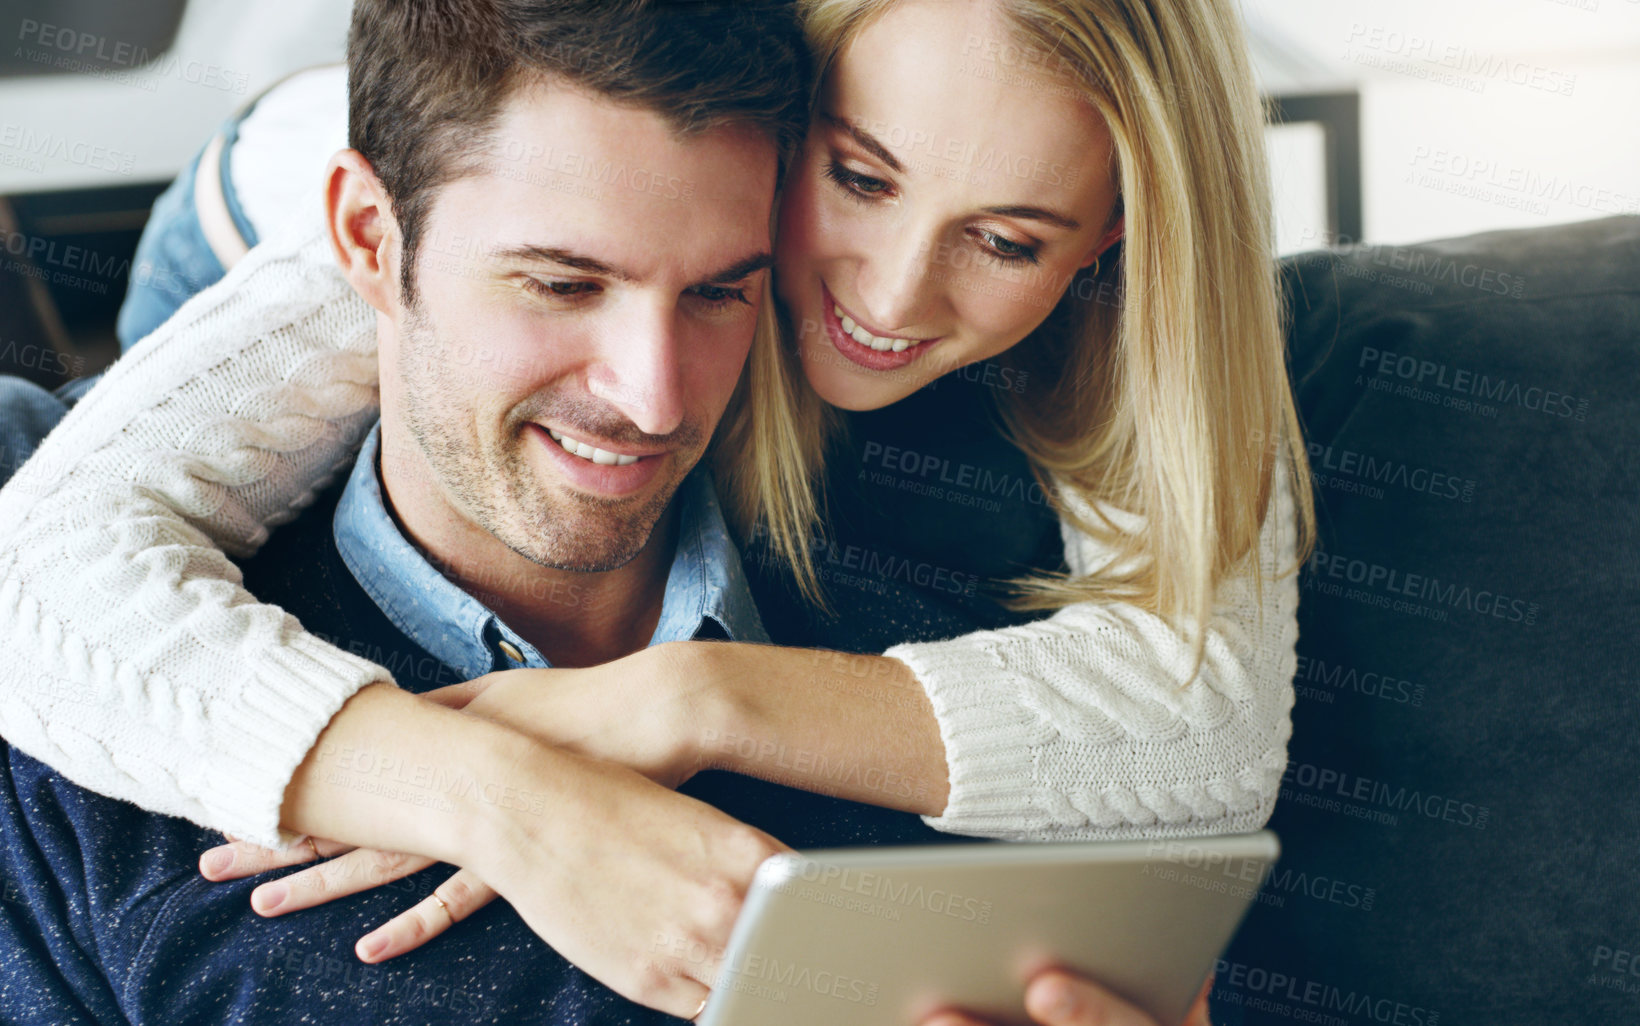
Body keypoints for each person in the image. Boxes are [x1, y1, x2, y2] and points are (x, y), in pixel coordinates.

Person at [0, 0, 1304, 1017]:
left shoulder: (1085, 414)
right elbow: (32, 578)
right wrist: (502, 792)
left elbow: (1212, 717)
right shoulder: (434, 221)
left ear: (1113, 242)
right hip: (248, 208)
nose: (898, 295)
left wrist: (687, 696)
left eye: (1010, 239)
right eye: (861, 176)